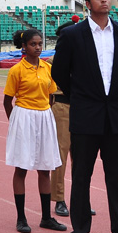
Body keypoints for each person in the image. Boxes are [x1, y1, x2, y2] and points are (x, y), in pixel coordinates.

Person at [51, 0, 118, 233]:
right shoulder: (73, 35)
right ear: (87, 4)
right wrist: (83, 96)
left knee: (117, 178)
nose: (104, 0)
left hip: (115, 115)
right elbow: (59, 73)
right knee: (81, 177)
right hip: (85, 114)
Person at [3, 29, 67, 233]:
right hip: (24, 117)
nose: (38, 47)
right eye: (33, 44)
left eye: (40, 44)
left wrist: (44, 114)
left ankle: (46, 218)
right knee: (21, 168)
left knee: (45, 167)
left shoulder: (47, 68)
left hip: (44, 117)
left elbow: (50, 95)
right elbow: (7, 100)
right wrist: (15, 123)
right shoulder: (16, 70)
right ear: (24, 46)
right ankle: (21, 218)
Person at [50, 21, 75, 217]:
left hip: (84, 108)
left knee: (83, 157)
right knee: (61, 154)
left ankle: (80, 198)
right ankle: (59, 199)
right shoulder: (51, 62)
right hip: (61, 107)